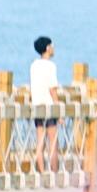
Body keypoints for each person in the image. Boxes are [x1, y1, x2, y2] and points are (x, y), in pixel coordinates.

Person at [29, 35, 59, 173]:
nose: (53, 48)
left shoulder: (34, 65)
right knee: (53, 142)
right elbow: (52, 89)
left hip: (37, 106)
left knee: (40, 140)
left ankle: (41, 172)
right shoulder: (50, 66)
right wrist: (58, 109)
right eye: (52, 46)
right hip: (48, 106)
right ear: (47, 48)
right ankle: (54, 172)